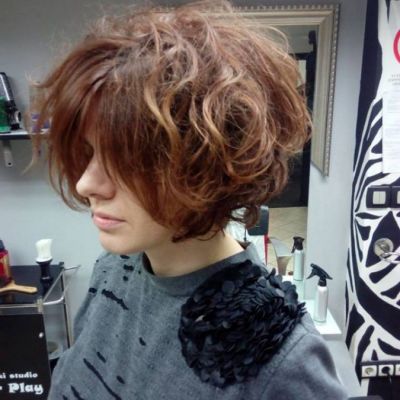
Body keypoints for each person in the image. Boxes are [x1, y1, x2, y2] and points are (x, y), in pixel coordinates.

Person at [33, 1, 348, 398]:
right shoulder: (114, 268)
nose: (85, 184)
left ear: (208, 163)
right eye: (90, 152)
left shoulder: (275, 357)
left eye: (124, 159)